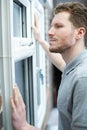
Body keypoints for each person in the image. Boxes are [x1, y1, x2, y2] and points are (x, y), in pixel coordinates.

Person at [10, 1, 87, 130]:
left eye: (58, 26)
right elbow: (61, 63)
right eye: (51, 26)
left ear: (79, 33)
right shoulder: (75, 66)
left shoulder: (82, 78)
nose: (50, 32)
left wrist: (25, 127)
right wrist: (39, 39)